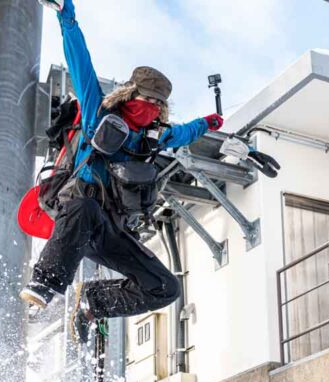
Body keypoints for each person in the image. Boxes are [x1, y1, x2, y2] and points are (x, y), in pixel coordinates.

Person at [20, 0, 224, 342]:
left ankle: (92, 303)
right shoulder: (97, 115)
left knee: (165, 287)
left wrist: (208, 122)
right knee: (85, 207)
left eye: (160, 104)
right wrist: (67, 19)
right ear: (131, 93)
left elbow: (184, 133)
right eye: (148, 99)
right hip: (77, 215)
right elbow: (80, 63)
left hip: (112, 233)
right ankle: (45, 282)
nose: (153, 108)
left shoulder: (154, 137)